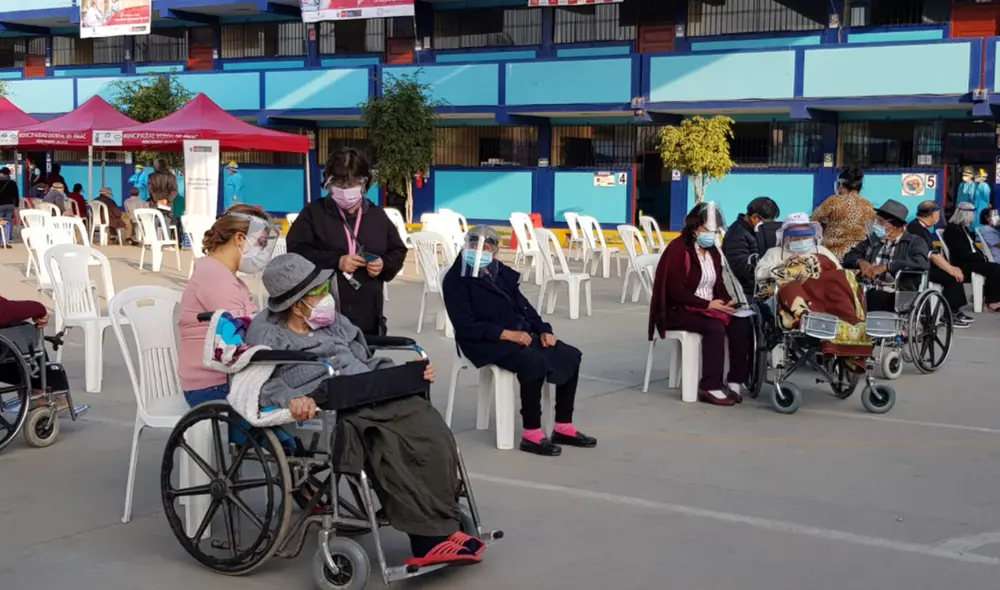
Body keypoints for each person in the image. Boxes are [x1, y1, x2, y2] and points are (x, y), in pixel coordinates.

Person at [248, 253, 487, 568]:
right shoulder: (267, 333)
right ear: (295, 304)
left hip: (367, 389)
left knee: (429, 425)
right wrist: (293, 399)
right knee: (388, 440)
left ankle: (444, 522)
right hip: (330, 405)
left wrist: (402, 375)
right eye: (318, 292)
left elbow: (366, 358)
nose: (327, 296)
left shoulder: (334, 323)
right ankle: (427, 540)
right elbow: (260, 383)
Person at [443, 226, 597, 456]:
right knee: (532, 363)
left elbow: (524, 306)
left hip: (519, 333)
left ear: (494, 251)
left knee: (569, 354)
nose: (479, 250)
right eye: (474, 245)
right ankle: (531, 433)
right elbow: (465, 325)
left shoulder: (499, 272)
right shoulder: (456, 278)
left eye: (486, 246)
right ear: (466, 246)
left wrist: (544, 330)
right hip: (483, 340)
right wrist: (506, 334)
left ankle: (563, 426)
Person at [287, 148, 407, 336]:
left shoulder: (377, 216)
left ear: (364, 183)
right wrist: (336, 261)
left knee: (364, 362)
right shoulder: (313, 214)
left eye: (351, 183)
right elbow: (296, 251)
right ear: (328, 182)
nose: (344, 190)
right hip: (322, 315)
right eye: (338, 183)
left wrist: (384, 264)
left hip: (367, 315)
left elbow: (398, 250)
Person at [649, 203, 751, 407]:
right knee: (715, 327)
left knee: (742, 322)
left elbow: (718, 283)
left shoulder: (712, 251)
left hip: (706, 307)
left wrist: (725, 301)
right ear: (695, 228)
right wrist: (708, 304)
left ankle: (734, 381)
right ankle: (709, 386)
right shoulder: (678, 250)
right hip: (678, 310)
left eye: (714, 231)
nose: (711, 235)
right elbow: (674, 291)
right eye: (707, 230)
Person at [178, 205, 278, 409]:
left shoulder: (222, 275)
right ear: (240, 239)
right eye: (260, 243)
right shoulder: (215, 278)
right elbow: (242, 334)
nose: (261, 252)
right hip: (213, 384)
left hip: (224, 377)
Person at [754, 213, 870, 364]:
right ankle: (809, 318)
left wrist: (811, 265)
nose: (801, 240)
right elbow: (759, 274)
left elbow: (838, 274)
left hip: (825, 297)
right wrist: (789, 268)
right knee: (789, 284)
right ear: (787, 237)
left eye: (805, 236)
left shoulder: (821, 251)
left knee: (843, 278)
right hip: (794, 298)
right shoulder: (774, 253)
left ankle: (847, 323)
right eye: (796, 236)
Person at [844, 200, 930, 313]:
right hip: (867, 288)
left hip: (897, 292)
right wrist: (861, 261)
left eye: (880, 222)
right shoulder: (873, 241)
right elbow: (849, 257)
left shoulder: (914, 242)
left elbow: (921, 262)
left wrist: (887, 267)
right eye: (876, 220)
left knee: (875, 297)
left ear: (895, 226)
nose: (876, 225)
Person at [906, 201, 972, 328]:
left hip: (925, 265)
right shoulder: (916, 229)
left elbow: (935, 253)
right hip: (917, 268)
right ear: (933, 214)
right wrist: (951, 270)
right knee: (952, 276)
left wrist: (952, 267)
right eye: (937, 213)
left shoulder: (921, 227)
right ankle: (950, 313)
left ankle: (954, 310)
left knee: (954, 272)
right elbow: (933, 255)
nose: (938, 216)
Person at [943, 202, 1000, 313]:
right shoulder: (953, 230)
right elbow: (961, 252)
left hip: (971, 260)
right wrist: (978, 256)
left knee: (994, 267)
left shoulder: (963, 229)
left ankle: (990, 298)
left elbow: (972, 247)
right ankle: (992, 301)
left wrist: (980, 255)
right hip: (963, 263)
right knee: (995, 269)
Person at [722, 196, 779, 301]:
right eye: (767, 223)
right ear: (755, 218)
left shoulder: (754, 232)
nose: (768, 226)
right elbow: (742, 270)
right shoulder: (736, 235)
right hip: (746, 293)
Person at [811, 167, 876, 260]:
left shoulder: (834, 201)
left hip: (831, 257)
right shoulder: (868, 205)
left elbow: (813, 221)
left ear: (841, 185)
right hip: (857, 259)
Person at [0, 167, 18, 246]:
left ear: (2, 173)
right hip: (10, 205)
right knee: (9, 221)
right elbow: (16, 195)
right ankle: (8, 238)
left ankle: (1, 239)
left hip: (0, 205)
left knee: (0, 221)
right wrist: (16, 205)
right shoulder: (12, 183)